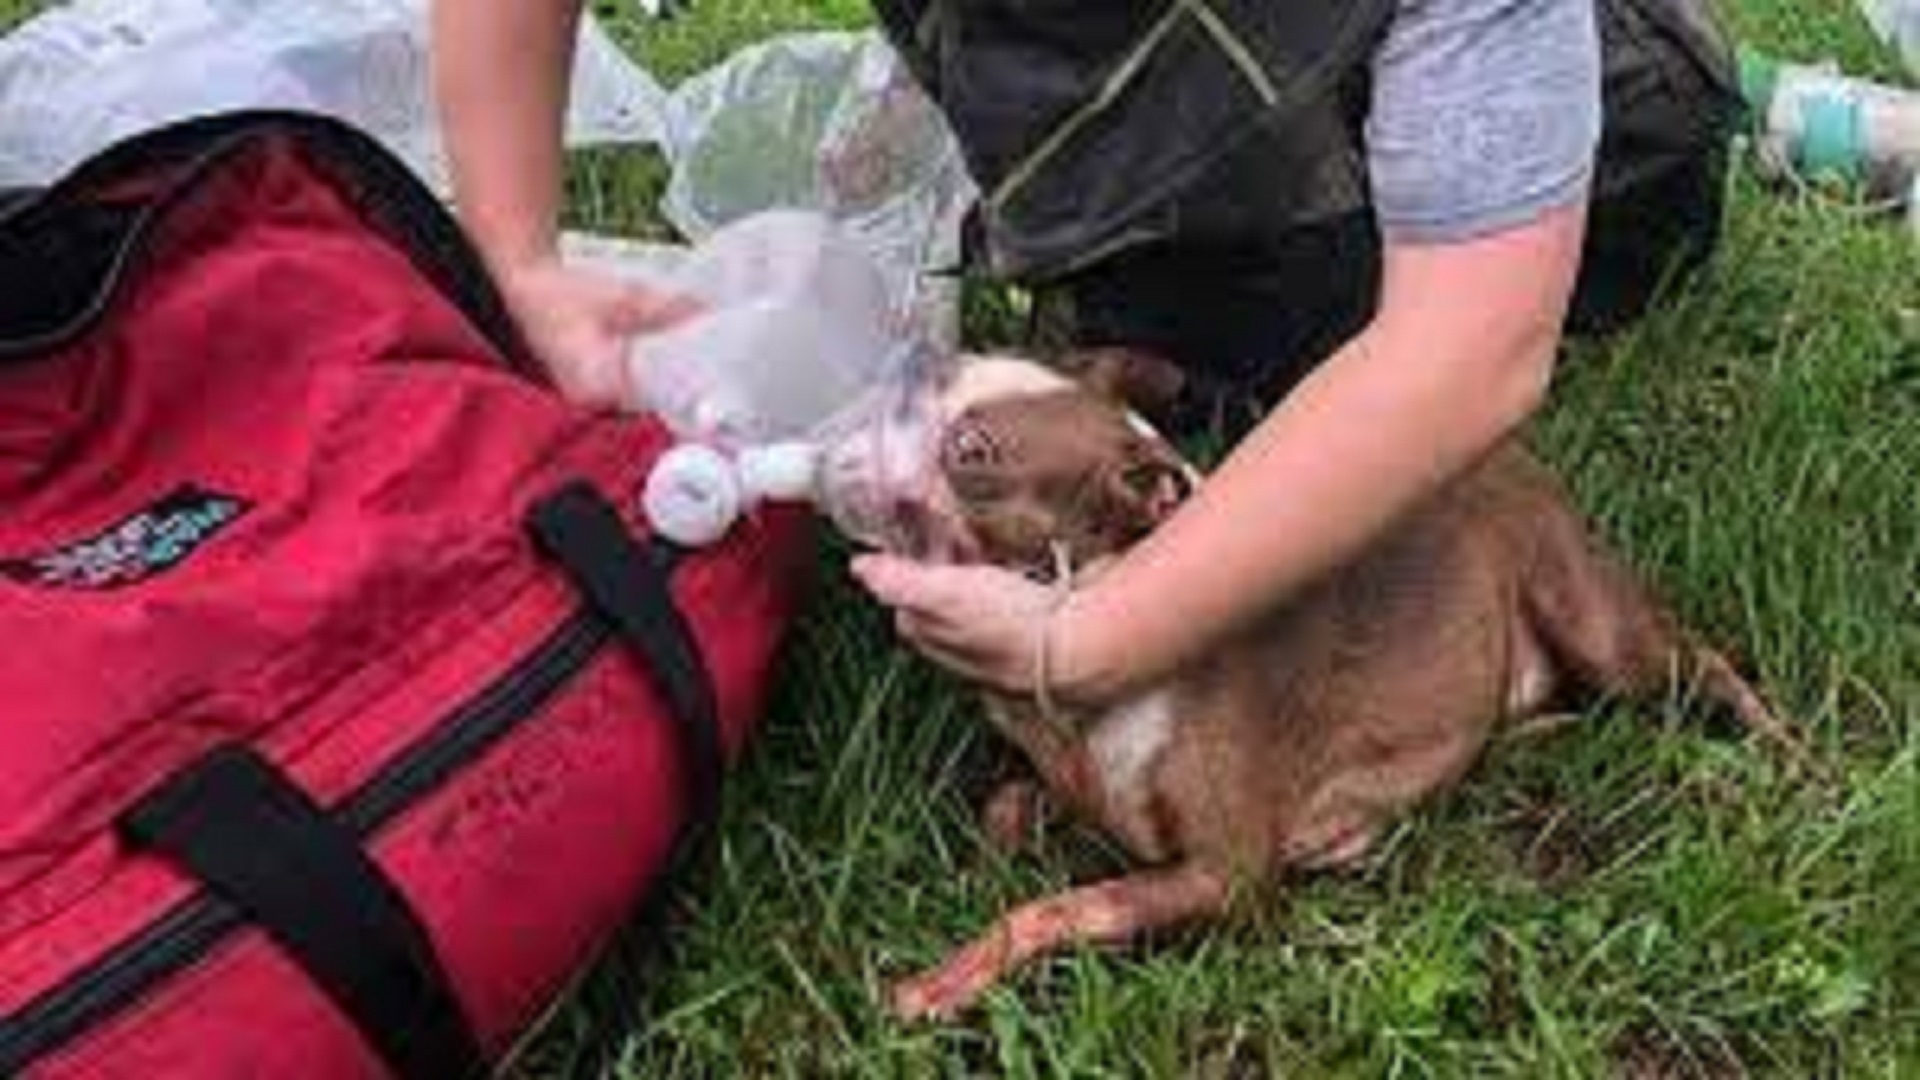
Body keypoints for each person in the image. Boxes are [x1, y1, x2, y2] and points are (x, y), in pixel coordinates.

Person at [431, 0, 1740, 708]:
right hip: (1159, 165)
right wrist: (518, 252)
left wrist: (1103, 631)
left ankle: (1699, 77)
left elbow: (1467, 346)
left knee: (1274, 341)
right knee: (1146, 298)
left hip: (1610, 154)